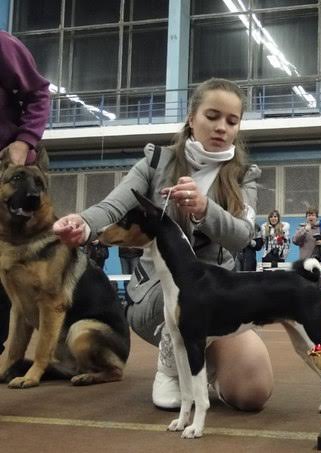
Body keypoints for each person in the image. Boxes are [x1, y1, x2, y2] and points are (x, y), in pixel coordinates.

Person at [52, 78, 273, 412]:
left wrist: (205, 209)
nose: (221, 127)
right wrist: (81, 224)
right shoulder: (156, 162)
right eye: (212, 116)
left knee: (251, 393)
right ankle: (170, 369)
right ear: (191, 117)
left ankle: (204, 367)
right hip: (157, 293)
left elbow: (242, 235)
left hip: (218, 296)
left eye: (232, 121)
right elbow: (112, 207)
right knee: (186, 294)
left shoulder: (244, 176)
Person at [0, 31, 51, 356]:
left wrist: (24, 140)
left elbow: (38, 93)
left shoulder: (3, 45)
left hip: (13, 162)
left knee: (15, 258)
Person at [292, 206, 321, 292]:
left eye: (313, 215)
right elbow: (295, 240)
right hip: (305, 264)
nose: (310, 217)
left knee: (319, 290)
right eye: (309, 215)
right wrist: (305, 230)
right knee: (305, 289)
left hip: (319, 264)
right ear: (306, 217)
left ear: (316, 217)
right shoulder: (301, 228)